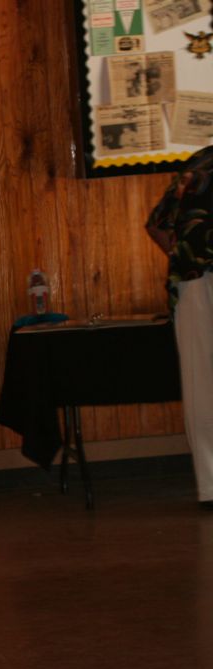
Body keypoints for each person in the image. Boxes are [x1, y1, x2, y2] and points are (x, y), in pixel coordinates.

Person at [146, 144, 213, 510]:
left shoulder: (197, 162)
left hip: (191, 280)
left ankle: (211, 485)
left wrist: (183, 257)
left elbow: (156, 224)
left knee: (200, 382)